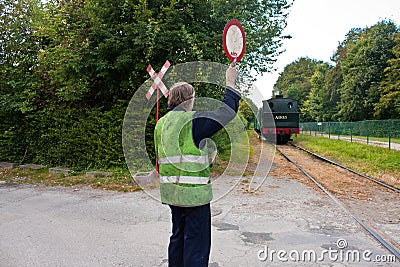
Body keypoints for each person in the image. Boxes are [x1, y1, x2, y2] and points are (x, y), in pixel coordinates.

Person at [154, 63, 241, 267]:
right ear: (188, 100)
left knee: (178, 237)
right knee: (196, 243)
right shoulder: (192, 121)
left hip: (172, 194)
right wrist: (230, 82)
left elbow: (163, 157)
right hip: (194, 195)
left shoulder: (161, 124)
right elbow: (226, 113)